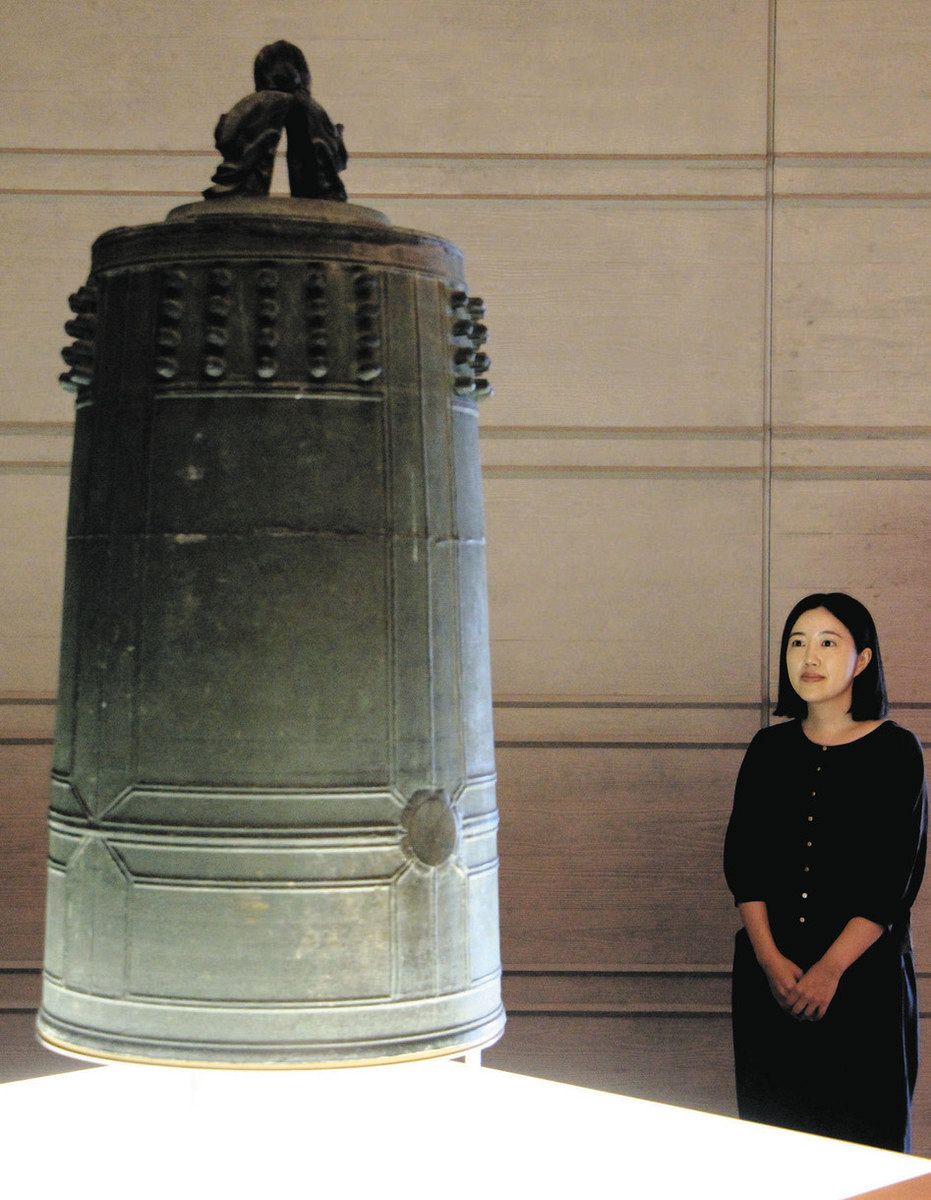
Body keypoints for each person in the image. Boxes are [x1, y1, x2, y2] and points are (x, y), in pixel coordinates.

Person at [723, 593, 927, 1151]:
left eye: (827, 642)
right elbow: (745, 864)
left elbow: (893, 879)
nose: (808, 657)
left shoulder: (898, 752)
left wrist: (830, 970)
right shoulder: (768, 749)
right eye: (797, 642)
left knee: (865, 1150)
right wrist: (769, 961)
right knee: (775, 1148)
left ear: (861, 660)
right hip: (773, 982)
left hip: (863, 984)